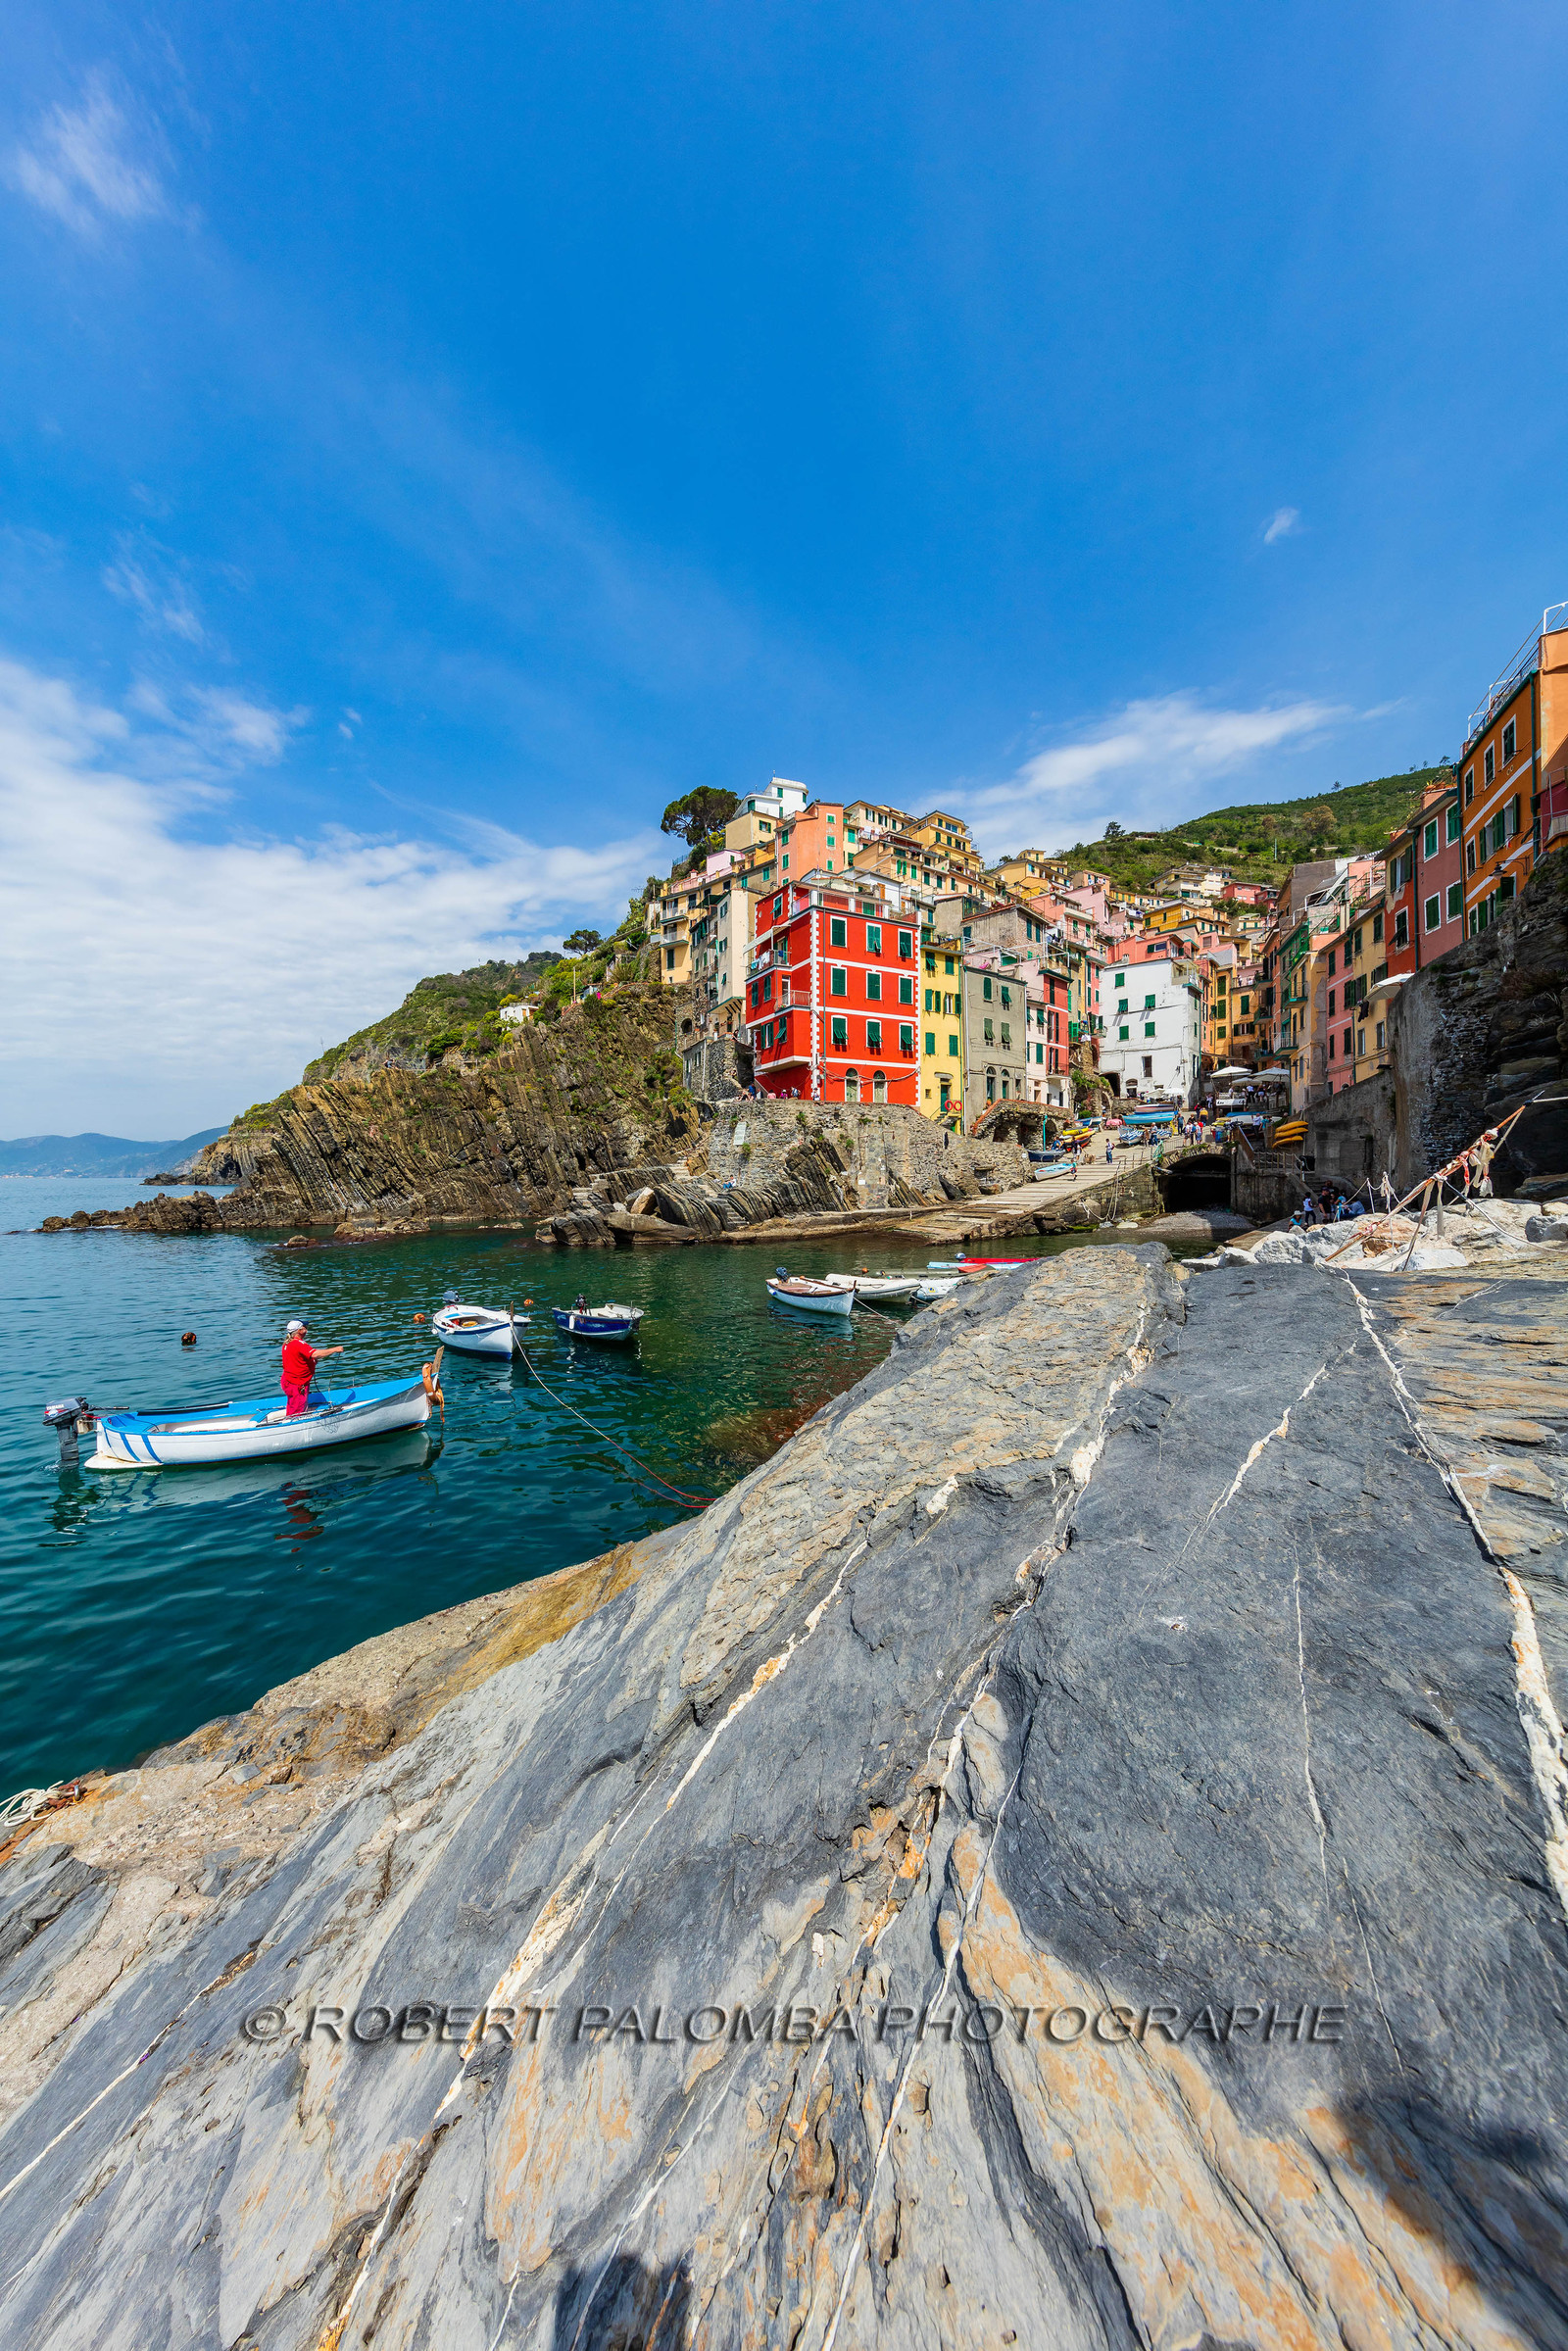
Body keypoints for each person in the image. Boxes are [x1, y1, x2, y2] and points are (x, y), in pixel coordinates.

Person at [280, 1318, 343, 1417]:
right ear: (299, 1331)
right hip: (297, 1383)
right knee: (298, 1410)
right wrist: (334, 1349)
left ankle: (291, 1416)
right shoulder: (299, 1344)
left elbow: (296, 1359)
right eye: (305, 1328)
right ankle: (294, 1424)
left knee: (293, 1404)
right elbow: (315, 1354)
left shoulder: (287, 1343)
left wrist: (311, 1362)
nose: (307, 1330)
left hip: (288, 1381)